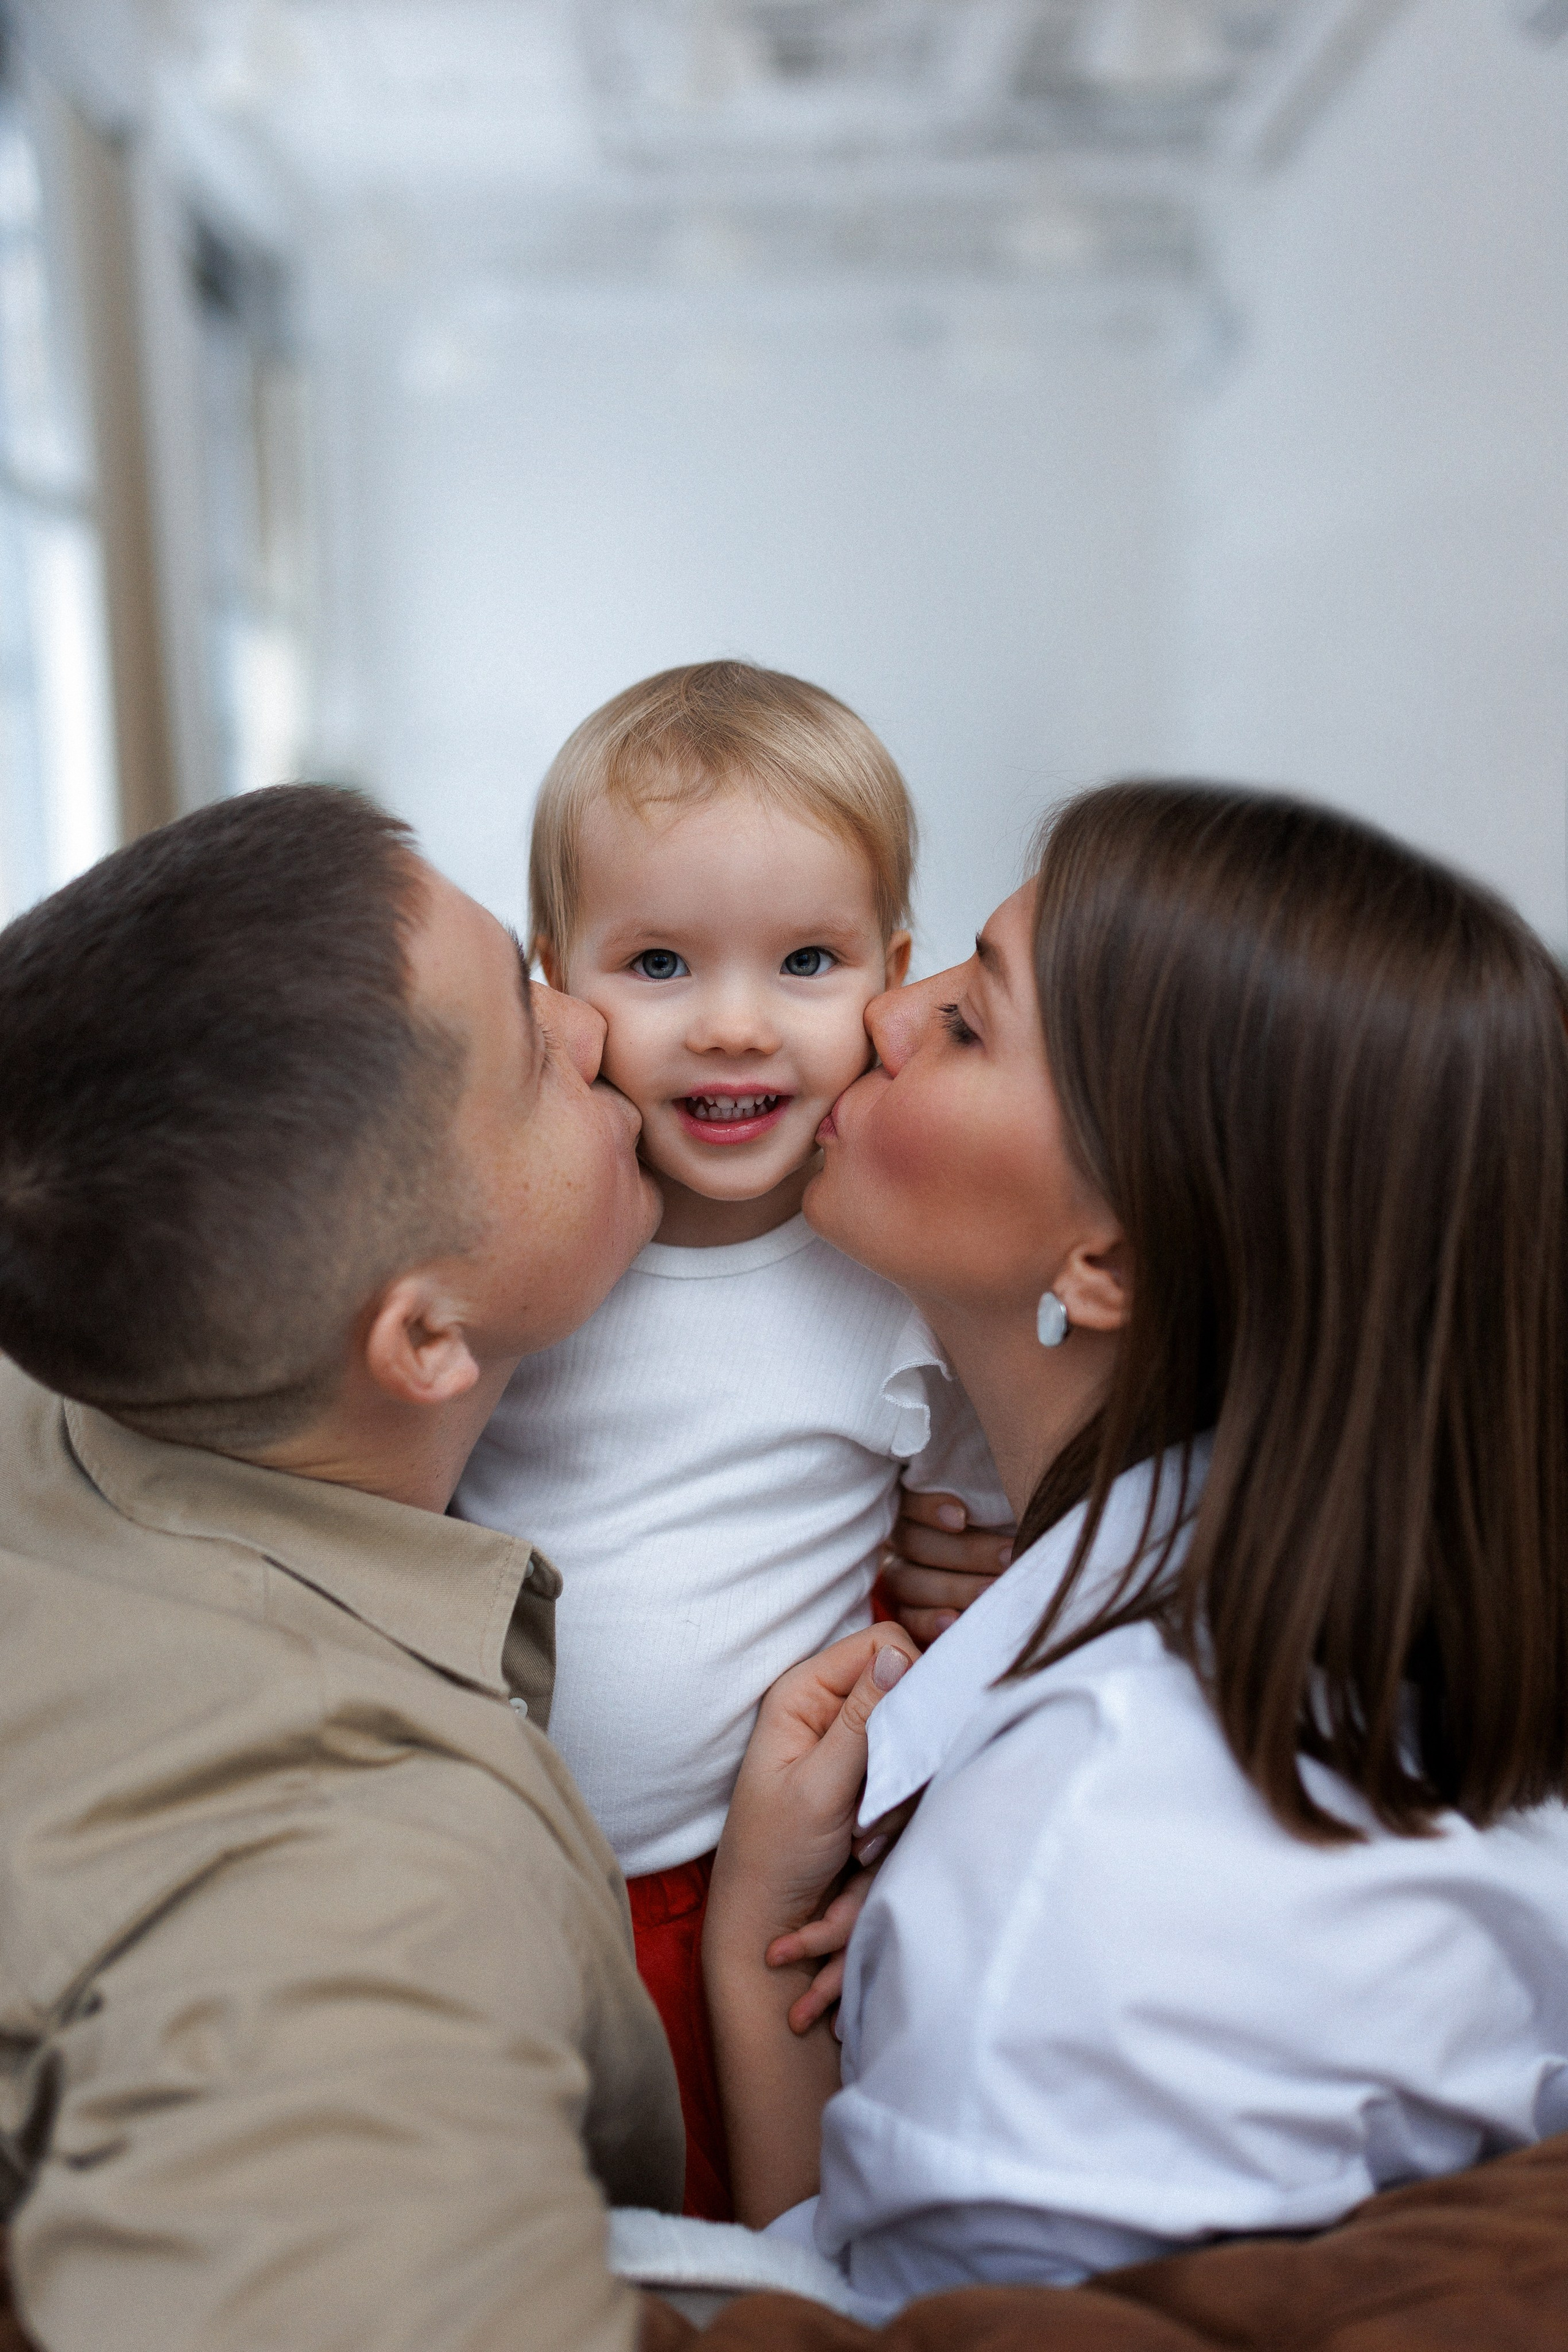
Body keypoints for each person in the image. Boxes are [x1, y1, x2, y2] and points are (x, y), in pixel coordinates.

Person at [703, 780, 1568, 2316]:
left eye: (967, 1021)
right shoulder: (1287, 1612)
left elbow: (926, 2332)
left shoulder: (1096, 1837)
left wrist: (747, 1948)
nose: (881, 1017)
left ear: (1100, 1260)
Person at [0, 786, 691, 2352]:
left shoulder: (79, 1305)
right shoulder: (360, 1868)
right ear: (425, 1336)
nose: (593, 1024)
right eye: (533, 1052)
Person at [456, 662, 1010, 2221]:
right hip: (481, 1858)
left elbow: (987, 1547)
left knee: (711, 2229)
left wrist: (958, 1596)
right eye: (657, 963)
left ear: (891, 978)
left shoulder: (889, 1275)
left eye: (806, 962)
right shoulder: (532, 1239)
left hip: (731, 1885)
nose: (733, 1026)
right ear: (555, 983)